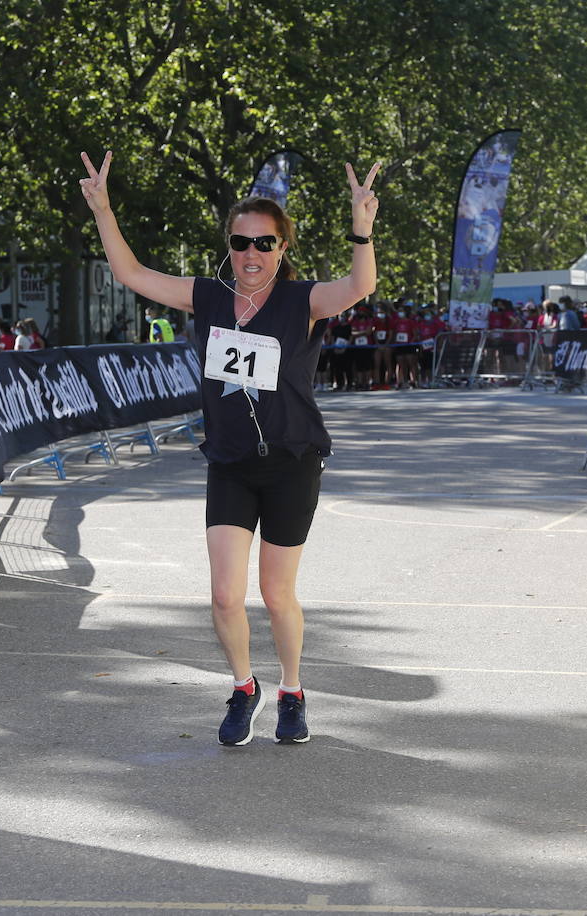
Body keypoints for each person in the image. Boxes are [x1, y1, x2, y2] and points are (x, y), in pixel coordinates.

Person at [79, 149, 379, 745]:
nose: (251, 254)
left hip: (293, 461)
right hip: (230, 463)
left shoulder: (303, 301)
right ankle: (244, 688)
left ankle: (292, 690)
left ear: (281, 249)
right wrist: (104, 210)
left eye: (264, 244)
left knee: (276, 592)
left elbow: (359, 284)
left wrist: (361, 229)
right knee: (223, 593)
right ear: (229, 247)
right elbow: (132, 275)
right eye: (241, 243)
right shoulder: (209, 297)